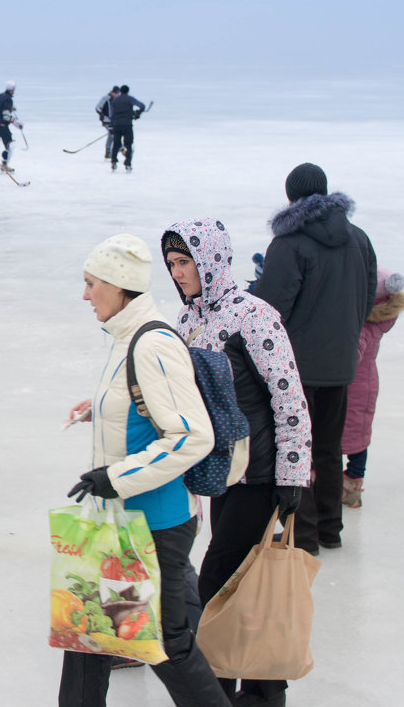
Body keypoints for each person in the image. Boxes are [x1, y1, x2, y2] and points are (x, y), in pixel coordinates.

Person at [62, 234, 230, 707]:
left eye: (91, 284)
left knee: (166, 643)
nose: (85, 294)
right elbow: (143, 408)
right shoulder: (125, 335)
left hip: (152, 525)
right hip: (123, 521)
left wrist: (113, 478)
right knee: (90, 635)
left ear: (118, 287)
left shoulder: (152, 343)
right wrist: (99, 410)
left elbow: (192, 436)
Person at [162, 219, 312, 706]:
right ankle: (262, 690)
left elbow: (289, 399)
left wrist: (291, 478)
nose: (177, 272)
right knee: (242, 584)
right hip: (220, 474)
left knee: (216, 584)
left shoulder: (254, 316)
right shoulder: (187, 321)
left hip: (261, 473)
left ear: (209, 260)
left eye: (184, 261)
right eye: (171, 264)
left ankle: (222, 691)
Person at [252, 163, 377, 555]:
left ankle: (303, 538)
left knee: (294, 449)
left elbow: (271, 309)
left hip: (296, 367)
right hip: (342, 362)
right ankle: (329, 528)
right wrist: (347, 336)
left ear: (291, 197)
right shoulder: (358, 238)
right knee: (327, 446)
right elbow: (368, 295)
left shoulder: (289, 243)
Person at [341, 266, 404, 508]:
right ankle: (354, 482)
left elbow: (353, 355)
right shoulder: (379, 321)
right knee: (359, 437)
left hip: (351, 387)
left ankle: (343, 486)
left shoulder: (362, 325)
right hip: (368, 384)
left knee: (334, 435)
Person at [108, 84, 145, 172]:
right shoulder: (130, 99)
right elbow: (142, 106)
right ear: (128, 91)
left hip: (116, 125)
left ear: (120, 91)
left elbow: (111, 114)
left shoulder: (115, 101)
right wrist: (137, 113)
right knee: (128, 144)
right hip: (127, 125)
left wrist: (111, 124)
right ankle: (128, 163)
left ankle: (113, 162)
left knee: (116, 144)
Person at [95, 86, 120, 159]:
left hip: (114, 121)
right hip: (106, 120)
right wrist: (102, 115)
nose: (117, 94)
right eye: (116, 93)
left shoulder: (117, 100)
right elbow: (98, 108)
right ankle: (120, 150)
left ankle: (108, 151)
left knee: (111, 134)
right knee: (112, 134)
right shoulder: (106, 98)